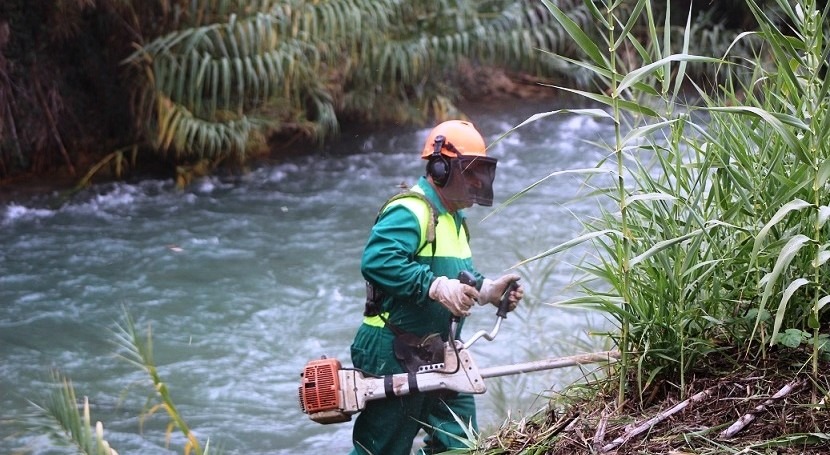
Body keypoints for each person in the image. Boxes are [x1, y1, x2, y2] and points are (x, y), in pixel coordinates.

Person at [349, 120, 525, 455]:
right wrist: (434, 287)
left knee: (458, 442)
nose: (477, 181)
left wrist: (488, 290)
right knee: (382, 449)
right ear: (441, 169)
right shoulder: (411, 210)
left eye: (481, 172)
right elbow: (377, 261)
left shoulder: (455, 220)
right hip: (393, 348)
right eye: (470, 172)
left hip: (441, 351)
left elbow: (462, 276)